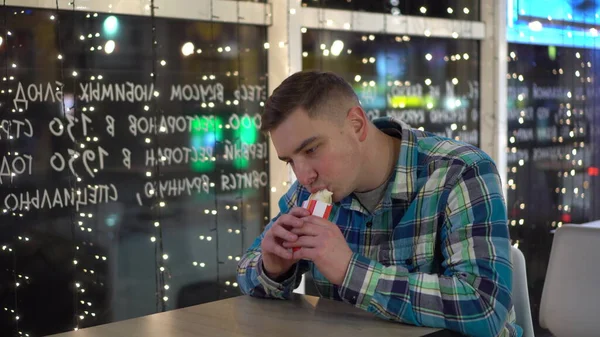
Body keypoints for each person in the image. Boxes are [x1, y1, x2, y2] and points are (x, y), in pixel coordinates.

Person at [236, 70, 521, 337]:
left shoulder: (460, 171)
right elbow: (249, 268)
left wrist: (351, 271)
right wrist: (273, 267)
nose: (303, 175)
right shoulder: (308, 190)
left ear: (357, 125)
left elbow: (485, 308)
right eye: (290, 161)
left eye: (311, 149)